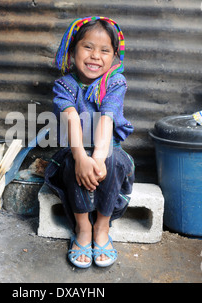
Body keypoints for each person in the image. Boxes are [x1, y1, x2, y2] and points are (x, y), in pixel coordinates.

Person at [44, 16, 135, 268]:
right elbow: (72, 120)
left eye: (104, 50)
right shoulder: (65, 85)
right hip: (72, 149)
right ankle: (83, 229)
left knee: (112, 159)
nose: (96, 56)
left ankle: (102, 228)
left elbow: (107, 118)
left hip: (108, 150)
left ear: (114, 56)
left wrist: (96, 158)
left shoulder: (115, 82)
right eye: (88, 47)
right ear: (73, 51)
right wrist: (82, 158)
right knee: (74, 160)